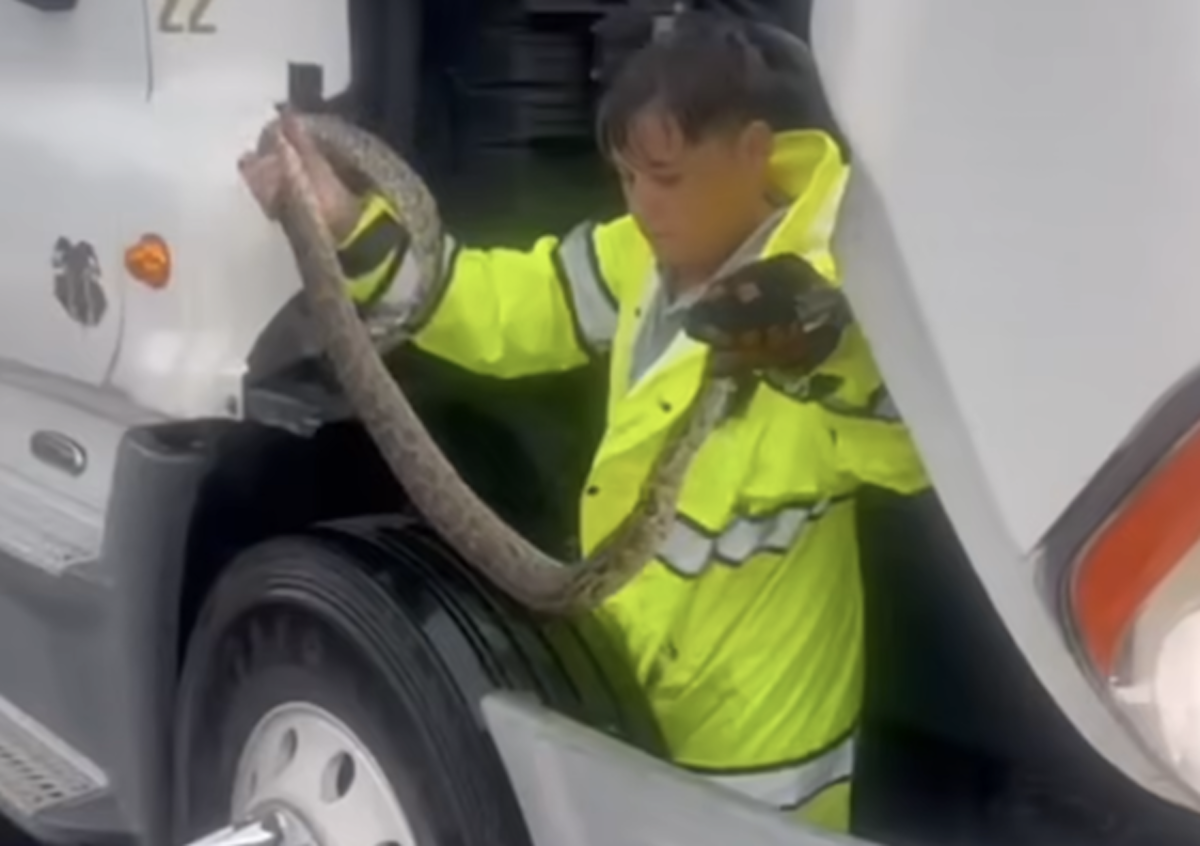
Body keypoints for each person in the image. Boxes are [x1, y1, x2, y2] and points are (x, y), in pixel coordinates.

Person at [239, 12, 927, 832]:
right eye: (629, 178)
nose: (645, 207)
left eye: (668, 179)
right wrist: (347, 227)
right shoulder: (641, 255)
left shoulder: (826, 292)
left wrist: (829, 353)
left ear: (752, 151)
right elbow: (502, 309)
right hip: (620, 710)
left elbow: (908, 451)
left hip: (754, 778)